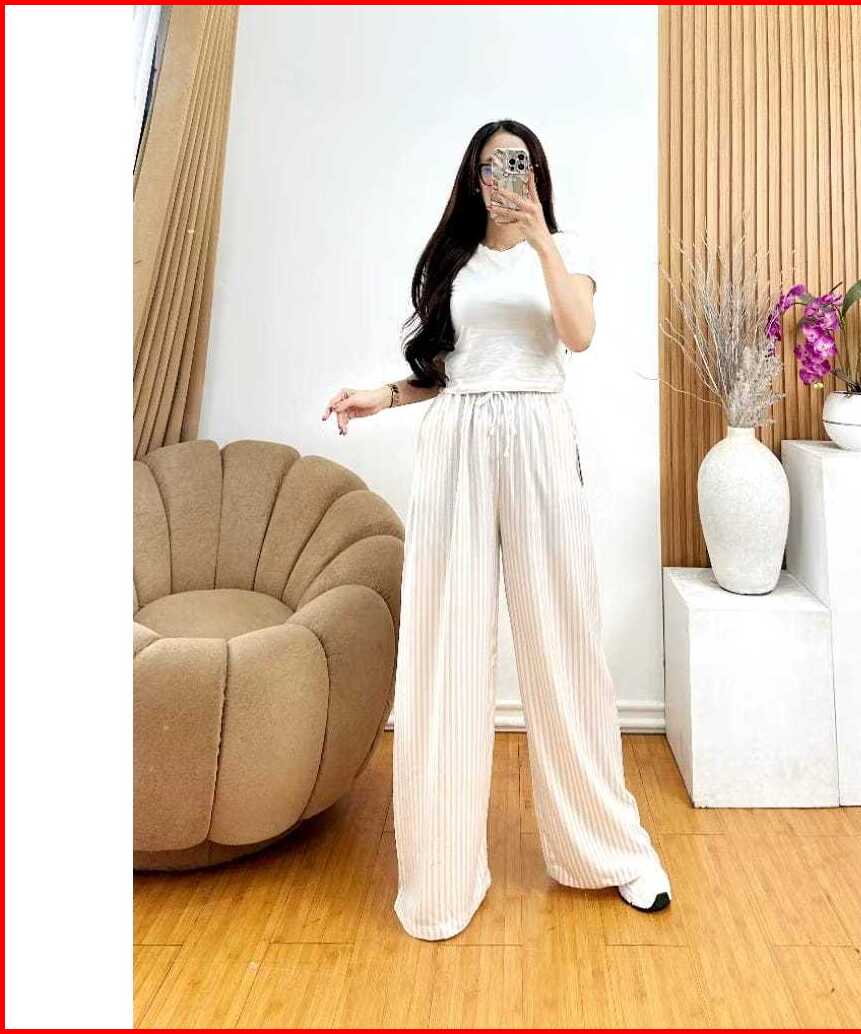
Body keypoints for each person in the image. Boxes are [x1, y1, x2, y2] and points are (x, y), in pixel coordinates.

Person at [321, 119, 671, 941]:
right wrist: (383, 396)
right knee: (446, 645)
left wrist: (542, 238)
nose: (502, 177)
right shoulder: (453, 260)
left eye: (516, 163)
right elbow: (443, 371)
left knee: (564, 640)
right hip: (458, 445)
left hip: (541, 440)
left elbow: (578, 335)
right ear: (472, 178)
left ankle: (608, 851)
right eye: (489, 166)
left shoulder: (566, 253)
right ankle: (442, 873)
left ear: (536, 173)